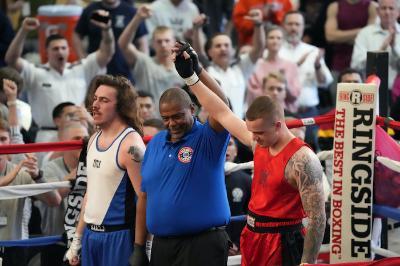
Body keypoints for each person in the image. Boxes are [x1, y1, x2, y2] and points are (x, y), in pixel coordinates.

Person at [173, 43, 326, 265]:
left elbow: (317, 218)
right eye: (251, 131)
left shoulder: (302, 159)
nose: (252, 138)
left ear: (278, 125)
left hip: (283, 241)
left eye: (259, 132)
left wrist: (308, 262)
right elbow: (221, 111)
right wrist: (194, 76)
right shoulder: (259, 141)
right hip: (253, 234)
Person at [141, 52, 231, 265]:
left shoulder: (207, 137)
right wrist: (139, 245)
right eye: (166, 118)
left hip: (203, 244)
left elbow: (223, 106)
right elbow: (145, 195)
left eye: (178, 116)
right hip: (162, 245)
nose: (172, 123)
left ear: (192, 109)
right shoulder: (154, 143)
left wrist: (196, 72)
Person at [65, 75, 148, 266]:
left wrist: (140, 246)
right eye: (95, 98)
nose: (95, 105)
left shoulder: (131, 144)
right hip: (91, 236)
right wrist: (77, 239)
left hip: (119, 237)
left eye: (104, 100)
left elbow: (145, 197)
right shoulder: (93, 139)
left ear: (121, 106)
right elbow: (90, 193)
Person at [5, 14, 114, 142]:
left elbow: (107, 53)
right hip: (47, 135)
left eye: (63, 48)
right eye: (55, 49)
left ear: (69, 50)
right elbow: (11, 59)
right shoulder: (35, 71)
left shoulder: (81, 68)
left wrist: (107, 30)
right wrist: (23, 31)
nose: (60, 51)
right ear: (47, 52)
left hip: (78, 131)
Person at [0, 79, 61, 266]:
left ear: (8, 143)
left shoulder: (20, 170)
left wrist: (38, 176)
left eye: (3, 139)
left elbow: (54, 201)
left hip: (15, 247)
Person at [38, 122, 89, 266]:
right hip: (56, 243)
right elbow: (53, 199)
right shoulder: (50, 169)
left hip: (87, 242)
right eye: (77, 138)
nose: (82, 142)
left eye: (85, 138)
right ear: (64, 143)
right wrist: (76, 175)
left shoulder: (96, 165)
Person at [119, 5, 184, 104]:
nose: (163, 45)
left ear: (174, 42)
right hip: (147, 118)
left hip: (174, 118)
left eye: (167, 40)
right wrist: (138, 18)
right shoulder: (145, 63)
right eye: (159, 41)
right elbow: (123, 45)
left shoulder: (183, 68)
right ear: (152, 44)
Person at [73, 0, 148, 81]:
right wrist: (82, 58)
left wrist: (143, 66)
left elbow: (142, 42)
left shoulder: (131, 12)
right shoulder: (91, 11)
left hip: (125, 71)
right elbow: (77, 34)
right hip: (97, 70)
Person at [351, 0, 400, 91]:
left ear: (398, 12)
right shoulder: (365, 33)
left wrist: (394, 48)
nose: (387, 12)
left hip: (397, 92)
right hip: (370, 91)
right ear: (377, 11)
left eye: (391, 8)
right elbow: (355, 65)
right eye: (383, 8)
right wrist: (381, 49)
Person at [224, 136, 252, 254]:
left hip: (239, 245)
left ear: (236, 151)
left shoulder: (246, 180)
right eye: (222, 144)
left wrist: (240, 242)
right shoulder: (200, 179)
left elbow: (251, 214)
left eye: (229, 144)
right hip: (210, 244)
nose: (225, 148)